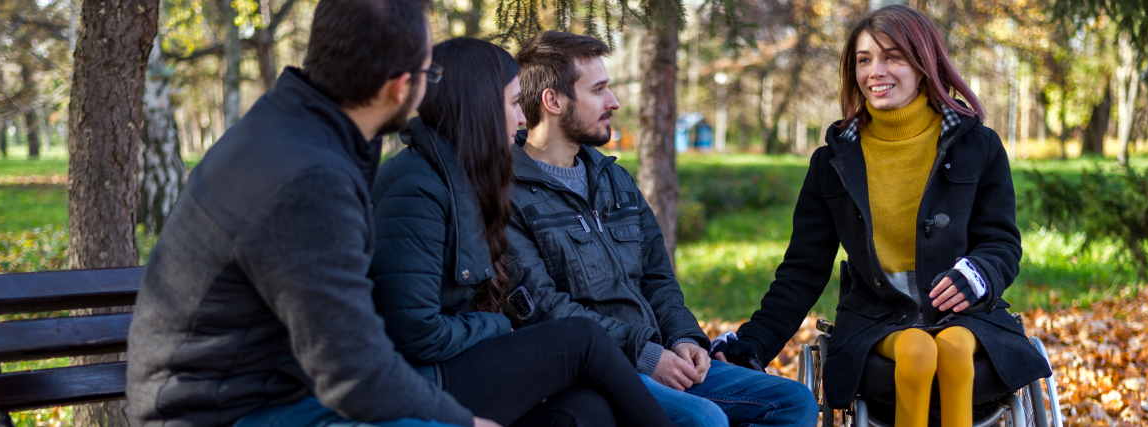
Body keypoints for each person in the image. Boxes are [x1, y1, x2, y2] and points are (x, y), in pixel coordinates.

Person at [126, 1, 491, 426]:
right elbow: (355, 375)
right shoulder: (311, 179)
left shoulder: (290, 125)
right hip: (219, 412)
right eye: (431, 76)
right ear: (400, 87)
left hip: (262, 389)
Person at [711, 5, 1053, 427]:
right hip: (876, 317)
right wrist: (754, 343)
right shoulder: (833, 162)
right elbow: (803, 269)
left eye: (893, 56)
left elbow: (1001, 242)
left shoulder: (976, 146)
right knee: (917, 351)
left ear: (924, 63)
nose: (876, 70)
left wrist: (978, 274)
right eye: (864, 59)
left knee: (955, 350)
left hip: (966, 316)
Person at [504, 30, 818, 427]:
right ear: (553, 101)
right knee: (704, 420)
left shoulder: (615, 180)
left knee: (795, 402)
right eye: (598, 90)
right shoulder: (509, 194)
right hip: (593, 371)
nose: (613, 102)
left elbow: (657, 277)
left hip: (659, 354)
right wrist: (646, 357)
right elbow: (547, 310)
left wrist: (685, 339)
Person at [369, 37, 677, 427]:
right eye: (514, 103)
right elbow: (414, 334)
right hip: (422, 380)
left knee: (587, 409)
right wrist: (501, 326)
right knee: (580, 339)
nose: (521, 119)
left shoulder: (461, 177)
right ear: (480, 104)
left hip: (453, 365)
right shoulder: (417, 188)